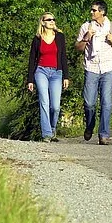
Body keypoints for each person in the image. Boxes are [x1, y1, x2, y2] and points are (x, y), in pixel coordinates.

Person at [75, 0, 112, 144]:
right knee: (89, 103)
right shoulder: (86, 26)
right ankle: (90, 126)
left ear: (102, 12)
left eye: (94, 10)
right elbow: (78, 47)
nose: (91, 12)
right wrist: (86, 38)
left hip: (107, 68)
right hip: (91, 67)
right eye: (91, 10)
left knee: (107, 102)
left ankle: (104, 134)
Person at [27, 12, 70, 143]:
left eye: (53, 19)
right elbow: (32, 60)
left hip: (57, 73)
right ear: (43, 22)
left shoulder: (60, 37)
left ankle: (52, 129)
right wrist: (30, 80)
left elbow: (63, 56)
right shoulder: (37, 39)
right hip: (41, 72)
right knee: (44, 102)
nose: (52, 21)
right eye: (49, 19)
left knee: (55, 106)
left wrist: (66, 76)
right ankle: (46, 134)